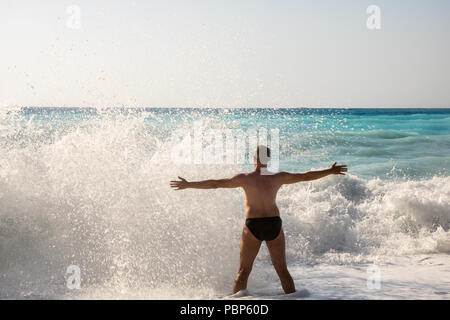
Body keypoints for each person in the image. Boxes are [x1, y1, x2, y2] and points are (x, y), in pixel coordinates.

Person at [170, 145, 347, 294]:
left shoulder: (244, 178)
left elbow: (216, 184)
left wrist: (188, 184)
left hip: (253, 225)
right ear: (269, 159)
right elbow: (306, 176)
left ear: (253, 158)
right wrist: (330, 171)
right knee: (282, 271)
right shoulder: (278, 177)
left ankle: (236, 307)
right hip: (274, 224)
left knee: (243, 272)